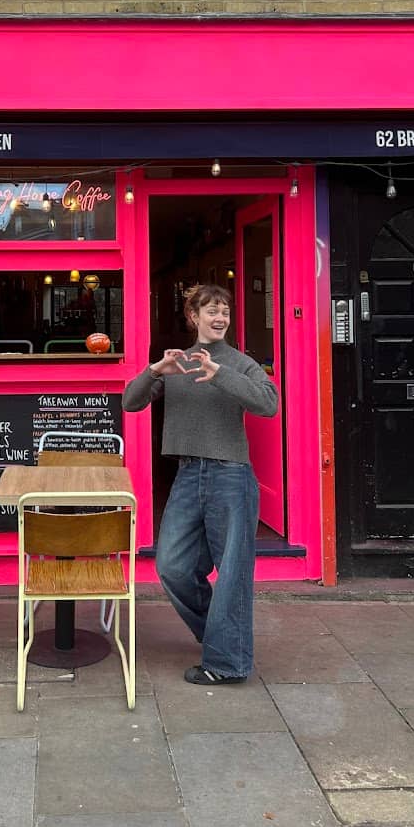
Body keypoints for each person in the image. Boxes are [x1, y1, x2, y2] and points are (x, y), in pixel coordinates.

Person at [122, 283, 278, 685]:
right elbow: (131, 402)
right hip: (188, 474)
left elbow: (268, 404)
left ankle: (226, 662)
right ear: (193, 317)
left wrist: (220, 374)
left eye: (224, 310)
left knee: (232, 573)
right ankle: (221, 637)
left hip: (231, 475)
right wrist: (155, 370)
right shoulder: (178, 364)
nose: (219, 317)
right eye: (210, 310)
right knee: (171, 565)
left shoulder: (239, 364)